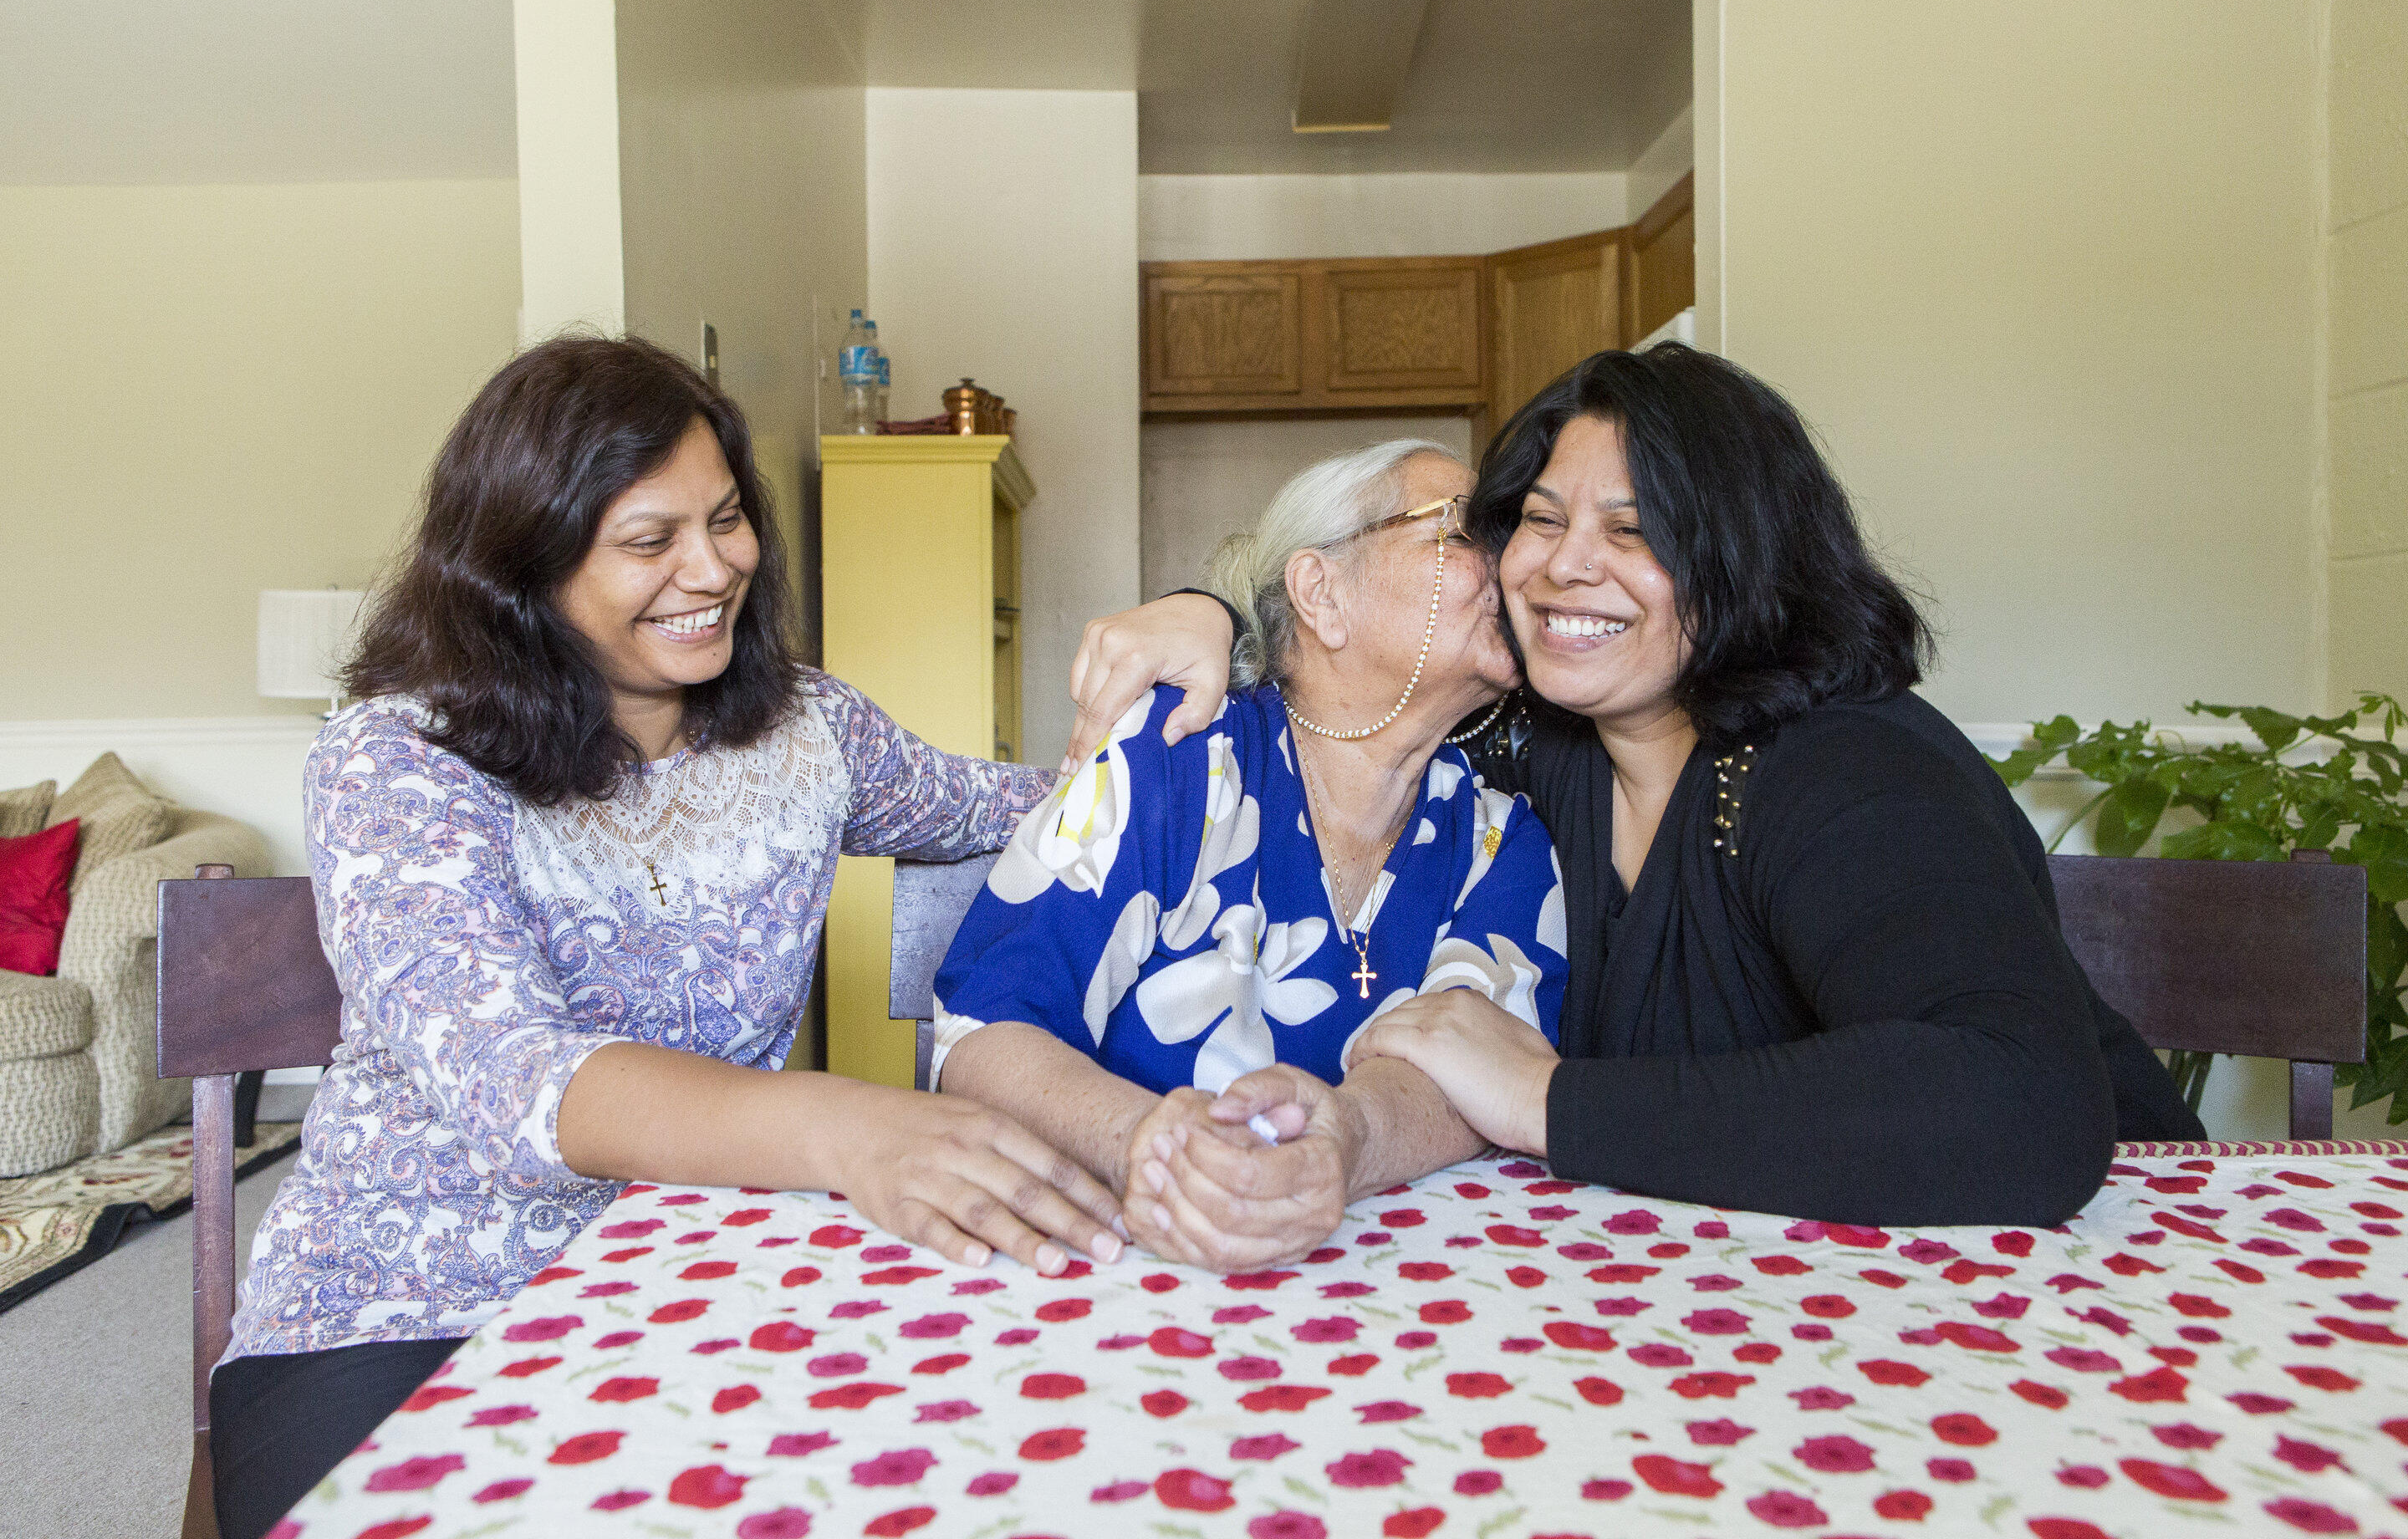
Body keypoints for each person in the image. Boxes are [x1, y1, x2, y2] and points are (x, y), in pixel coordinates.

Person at [211, 337, 1125, 1539]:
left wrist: (1198, 643)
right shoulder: (399, 758)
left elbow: (1043, 809)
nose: (716, 568)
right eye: (651, 540)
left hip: (709, 1273)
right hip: (401, 1313)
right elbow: (512, 1074)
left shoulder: (810, 734)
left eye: (729, 519)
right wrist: (851, 1122)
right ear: (523, 564)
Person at [1060, 344, 2203, 1232]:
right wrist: (1209, 612)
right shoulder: (1542, 750)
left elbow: (2022, 1106)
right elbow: (1346, 691)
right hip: (1750, 1299)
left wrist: (1545, 1102)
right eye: (1541, 522)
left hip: (2115, 1280)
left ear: (1745, 556)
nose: (1564, 566)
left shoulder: (1847, 766)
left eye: (1636, 530)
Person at [936, 441, 1567, 1273]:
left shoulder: (1499, 839)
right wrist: (1149, 1148)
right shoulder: (1175, 758)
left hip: (1387, 1299)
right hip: (1115, 1267)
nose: (1513, 562)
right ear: (1322, 593)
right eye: (1460, 530)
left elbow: (1494, 1076)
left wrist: (1347, 1140)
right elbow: (984, 1033)